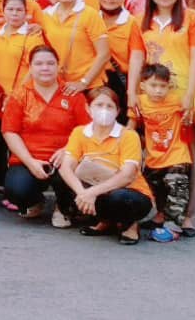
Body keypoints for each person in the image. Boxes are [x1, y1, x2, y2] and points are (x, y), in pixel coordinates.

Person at [128, 0, 195, 232]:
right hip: (151, 100)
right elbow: (137, 58)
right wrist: (132, 92)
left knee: (186, 158)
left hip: (184, 99)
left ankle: (188, 215)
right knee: (155, 154)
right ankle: (162, 211)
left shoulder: (193, 19)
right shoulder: (140, 21)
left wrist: (189, 96)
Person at [1, 44, 90, 226]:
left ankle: (64, 207)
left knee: (69, 174)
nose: (45, 68)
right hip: (29, 159)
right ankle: (35, 202)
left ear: (58, 66)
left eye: (50, 63)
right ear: (31, 67)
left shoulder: (73, 95)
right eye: (39, 63)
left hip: (65, 159)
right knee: (17, 189)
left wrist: (68, 150)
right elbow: (10, 132)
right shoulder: (20, 95)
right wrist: (29, 161)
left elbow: (88, 131)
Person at [56, 87, 154, 245]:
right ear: (88, 108)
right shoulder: (80, 132)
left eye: (109, 106)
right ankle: (106, 221)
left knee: (120, 198)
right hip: (94, 190)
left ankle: (130, 224)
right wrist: (82, 193)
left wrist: (91, 192)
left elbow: (127, 175)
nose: (104, 110)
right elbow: (66, 167)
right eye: (99, 105)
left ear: (117, 111)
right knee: (61, 180)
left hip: (130, 192)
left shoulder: (128, 135)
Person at [0, 0, 43, 204]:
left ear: (27, 13)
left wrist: (16, 95)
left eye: (19, 10)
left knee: (16, 142)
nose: (15, 14)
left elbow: (34, 68)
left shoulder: (32, 36)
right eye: (10, 9)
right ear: (3, 11)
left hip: (23, 97)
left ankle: (15, 189)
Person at [136, 64, 195, 242]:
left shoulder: (176, 100)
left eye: (162, 86)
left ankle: (173, 226)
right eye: (153, 86)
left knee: (177, 187)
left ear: (168, 86)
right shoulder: (140, 102)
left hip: (177, 154)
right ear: (143, 86)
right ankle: (161, 216)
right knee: (154, 187)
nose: (158, 90)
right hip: (154, 157)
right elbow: (132, 125)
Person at [36, 0, 109, 95]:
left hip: (89, 86)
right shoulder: (46, 16)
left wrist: (83, 82)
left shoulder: (90, 14)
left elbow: (104, 54)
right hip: (58, 84)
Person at [96, 0, 143, 121]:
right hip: (95, 82)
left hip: (121, 82)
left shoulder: (131, 22)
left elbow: (136, 58)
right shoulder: (90, 20)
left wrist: (132, 91)